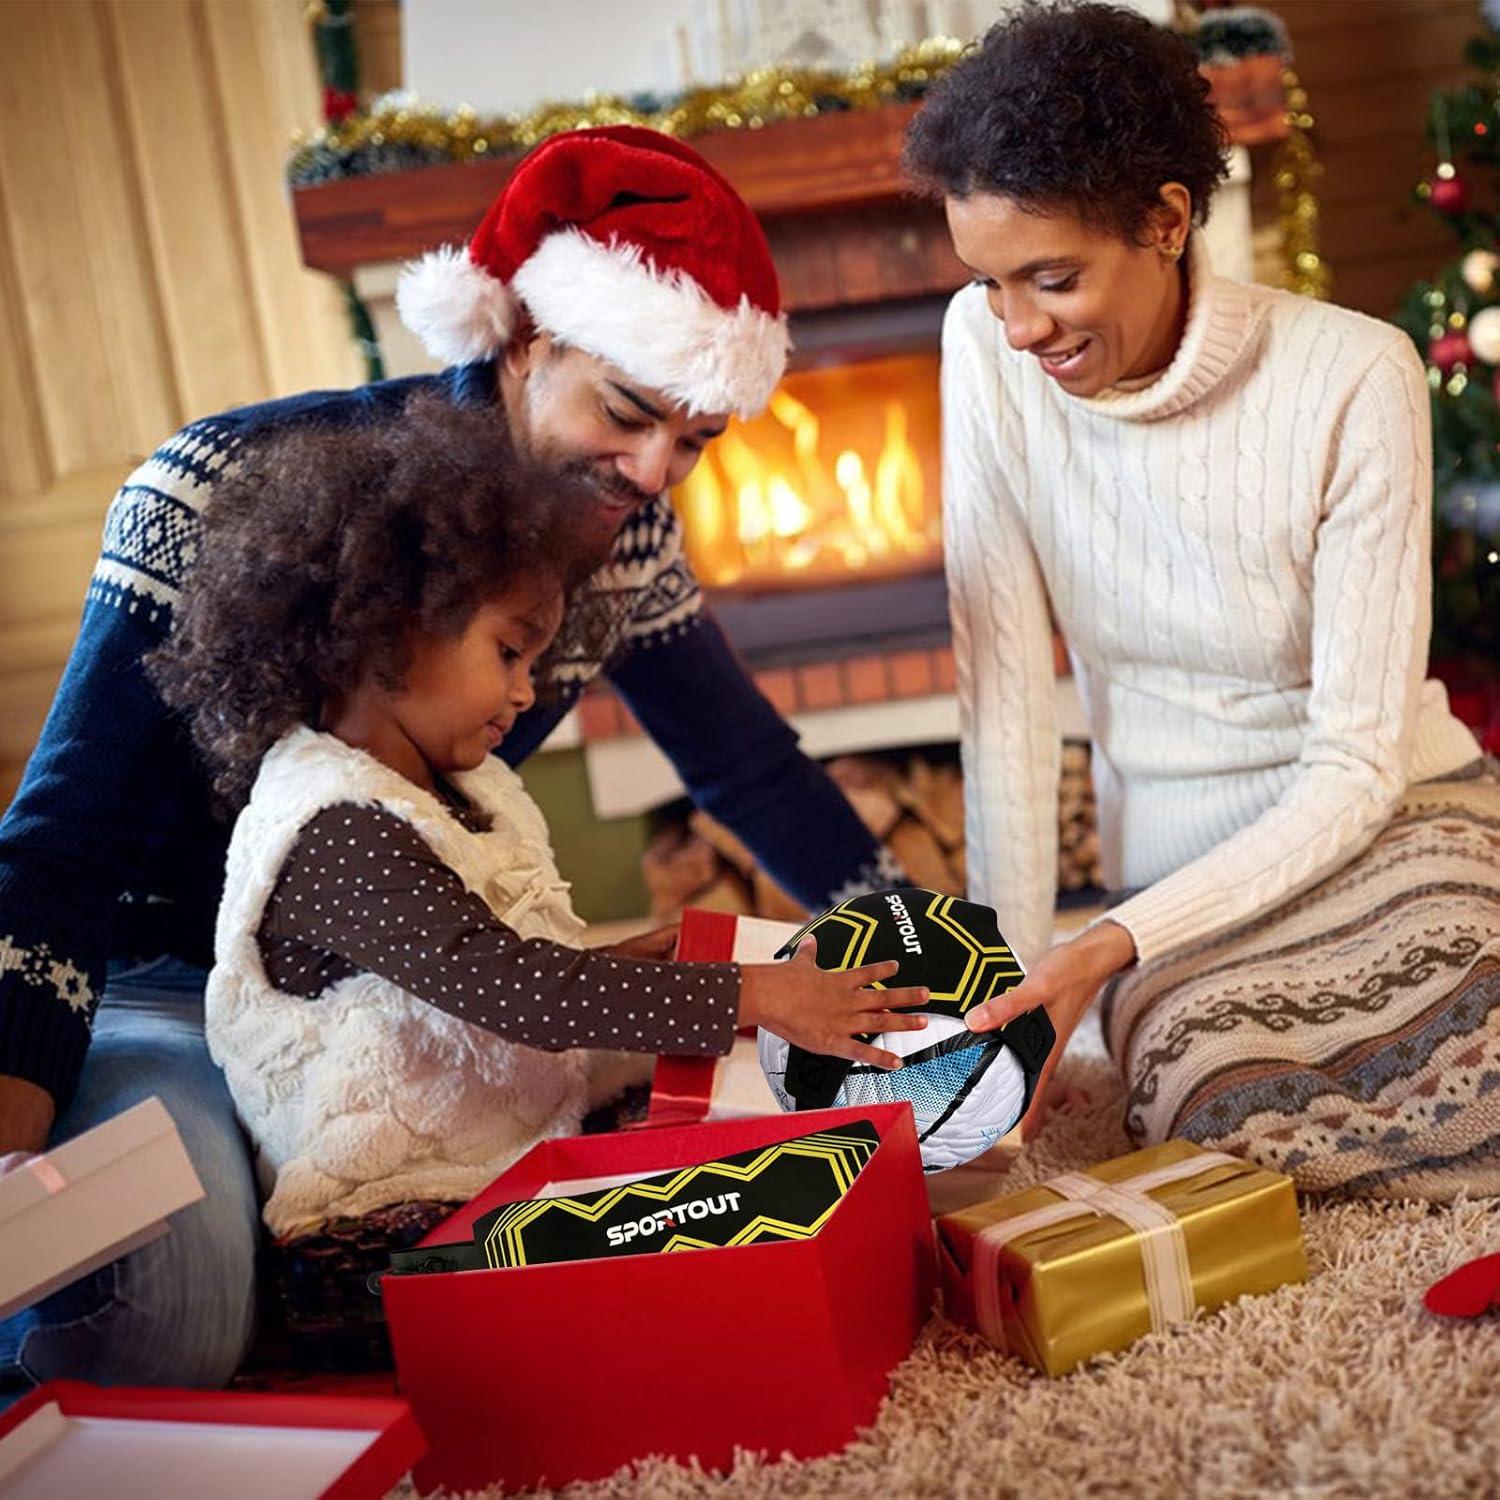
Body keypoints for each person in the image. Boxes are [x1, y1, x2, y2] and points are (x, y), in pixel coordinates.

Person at [0, 124, 904, 1394]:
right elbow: (60, 838)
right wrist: (20, 1136)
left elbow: (748, 770)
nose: (655, 475)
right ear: (527, 343)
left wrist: (920, 958)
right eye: (629, 412)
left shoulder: (623, 542)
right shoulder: (215, 484)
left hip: (421, 995)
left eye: (695, 442)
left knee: (695, 1162)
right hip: (160, 982)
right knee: (172, 1301)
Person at [140, 395, 926, 1366]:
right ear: (388, 628)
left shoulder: (447, 789)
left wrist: (659, 957)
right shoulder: (332, 824)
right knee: (720, 1197)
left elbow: (514, 969)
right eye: (509, 653)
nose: (526, 690)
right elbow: (513, 988)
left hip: (495, 1160)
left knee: (724, 1110)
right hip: (384, 1230)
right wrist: (752, 993)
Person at [904, 1, 1497, 1198]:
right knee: (1210, 1109)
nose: (1016, 325)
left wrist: (1098, 950)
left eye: (1052, 279)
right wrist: (1025, 985)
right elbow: (1006, 692)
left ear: (1168, 219)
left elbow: (1358, 763)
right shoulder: (983, 348)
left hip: (1389, 818)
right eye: (989, 282)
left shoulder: (1355, 374)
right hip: (1177, 884)